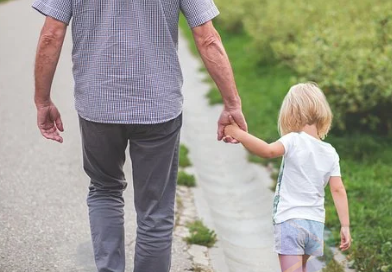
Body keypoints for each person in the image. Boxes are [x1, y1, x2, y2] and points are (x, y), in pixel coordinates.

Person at [32, 0, 247, 271]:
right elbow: (207, 37)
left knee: (104, 190)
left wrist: (42, 100)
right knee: (155, 211)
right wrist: (232, 103)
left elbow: (51, 34)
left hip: (99, 107)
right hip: (158, 107)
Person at [224, 82, 351, 272]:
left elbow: (266, 151)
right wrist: (345, 226)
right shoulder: (330, 151)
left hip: (291, 221)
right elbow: (338, 189)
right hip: (315, 224)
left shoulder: (293, 140)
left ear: (291, 113)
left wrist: (238, 133)